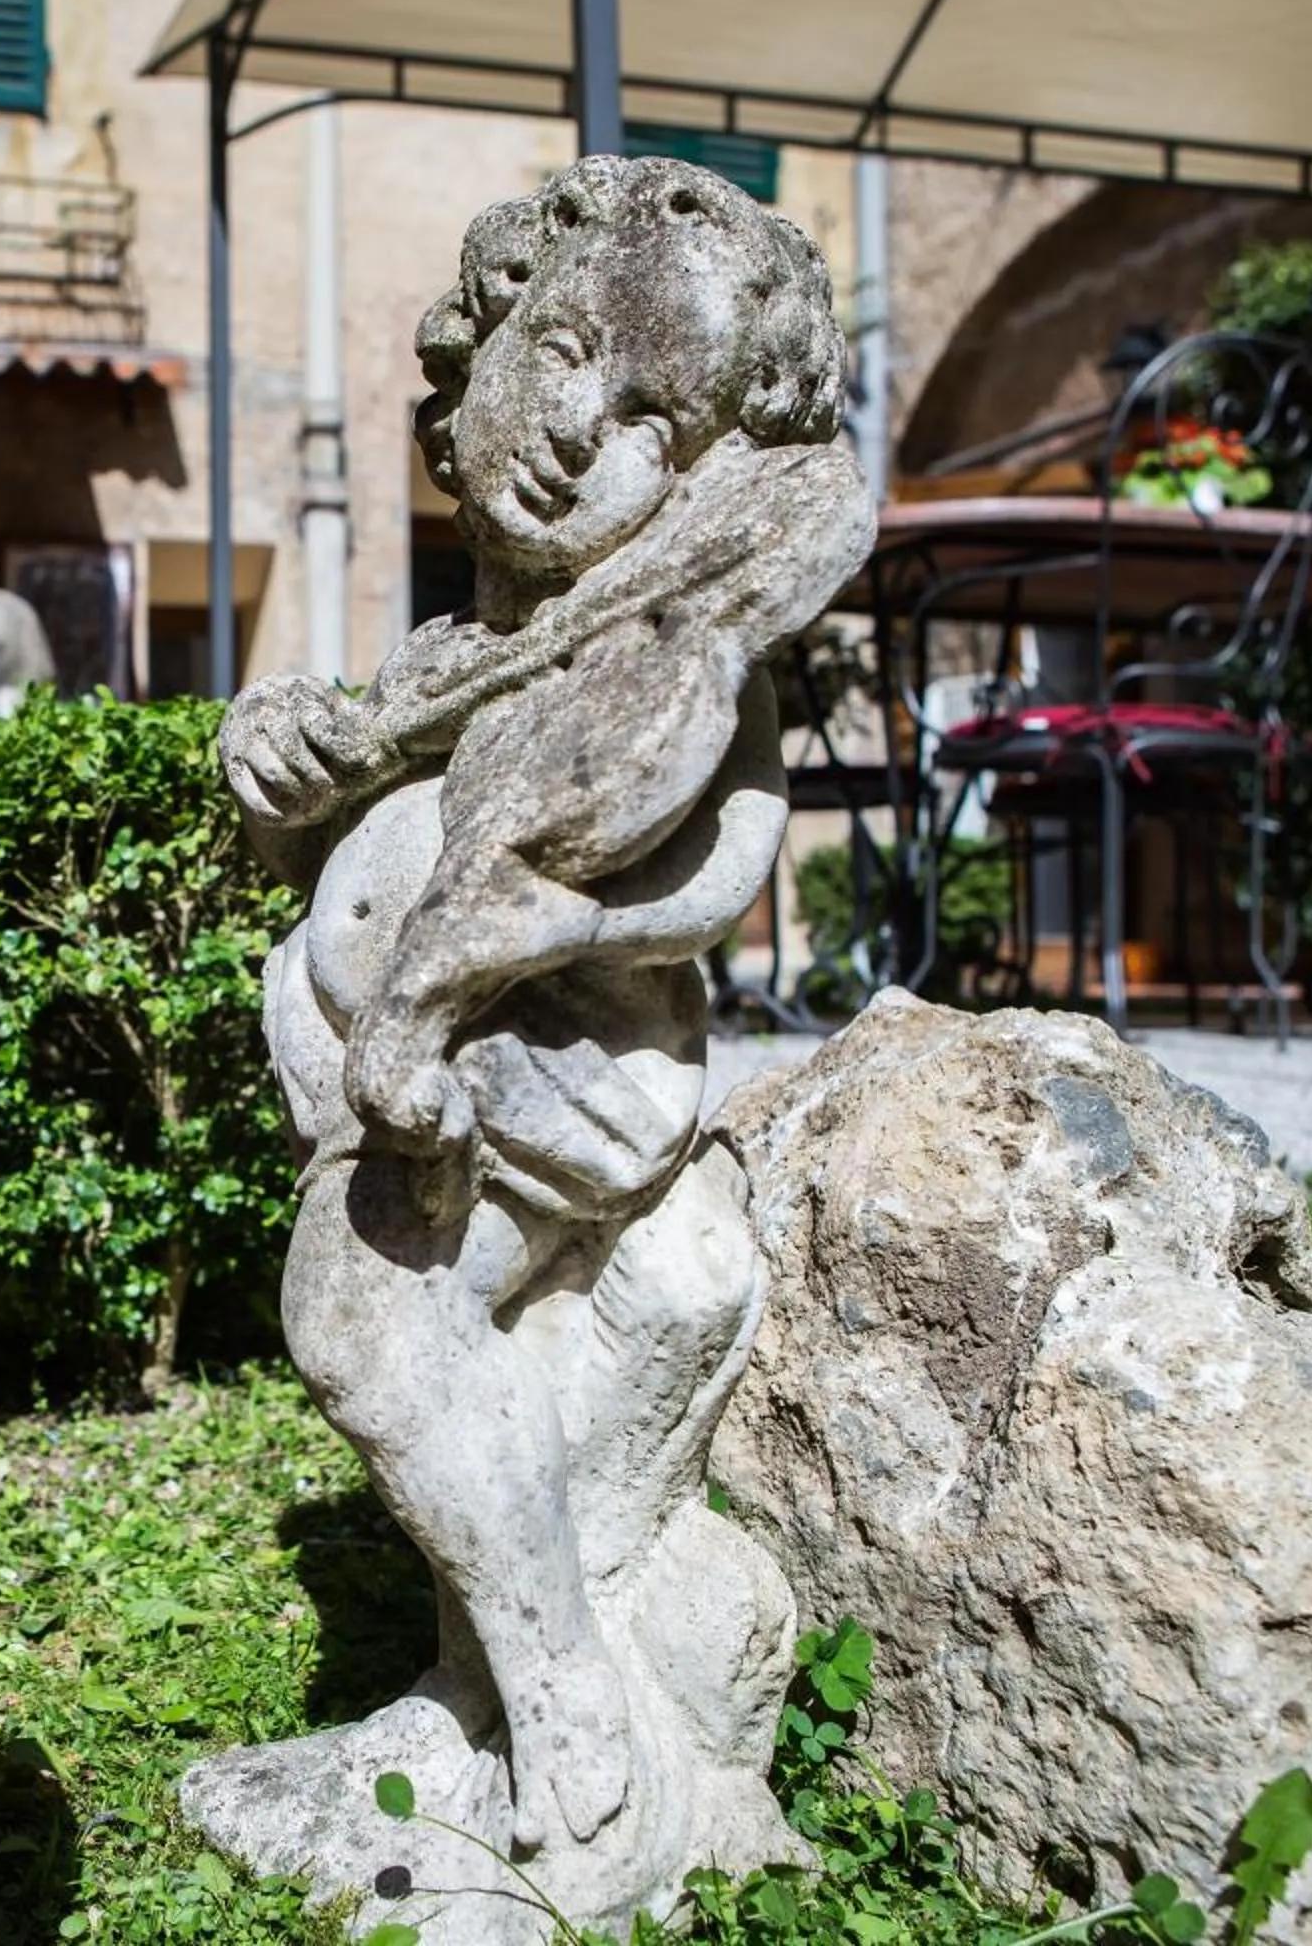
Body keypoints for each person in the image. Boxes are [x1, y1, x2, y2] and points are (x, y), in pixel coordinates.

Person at [219, 153, 872, 1865]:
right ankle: (493, 1697)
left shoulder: (669, 651)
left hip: (550, 1085)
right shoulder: (456, 659)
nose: (586, 439)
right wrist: (272, 756)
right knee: (430, 1359)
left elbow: (722, 864)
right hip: (401, 1072)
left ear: (707, 481)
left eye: (659, 425)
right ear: (480, 340)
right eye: (571, 357)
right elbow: (327, 786)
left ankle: (558, 1690)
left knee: (365, 1323)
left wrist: (517, 930)